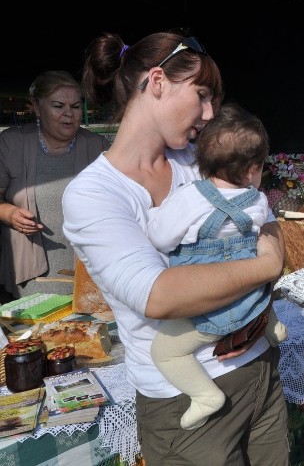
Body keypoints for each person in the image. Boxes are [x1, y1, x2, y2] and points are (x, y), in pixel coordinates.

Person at [63, 32, 289, 464]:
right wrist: (267, 265)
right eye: (202, 96)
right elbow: (159, 295)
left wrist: (266, 264)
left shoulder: (195, 159)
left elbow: (266, 216)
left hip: (260, 371)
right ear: (158, 81)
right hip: (187, 403)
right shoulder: (94, 194)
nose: (209, 115)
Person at [146, 102, 288, 431]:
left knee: (165, 352)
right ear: (253, 169)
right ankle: (272, 324)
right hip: (252, 295)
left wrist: (156, 214)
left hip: (209, 309)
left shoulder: (190, 198)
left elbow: (160, 237)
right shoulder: (258, 201)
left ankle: (205, 395)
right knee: (260, 278)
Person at [0, 71, 110, 299]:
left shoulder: (97, 146)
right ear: (36, 108)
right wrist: (10, 214)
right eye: (58, 106)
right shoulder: (11, 143)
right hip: (32, 276)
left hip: (93, 275)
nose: (68, 114)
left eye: (76, 106)